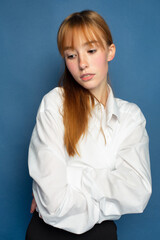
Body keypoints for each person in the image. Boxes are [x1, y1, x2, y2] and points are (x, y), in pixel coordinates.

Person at [25, 10, 152, 240]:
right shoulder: (55, 104)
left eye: (91, 51)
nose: (82, 63)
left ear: (109, 51)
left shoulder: (131, 118)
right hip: (46, 234)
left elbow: (137, 192)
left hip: (100, 235)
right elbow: (53, 203)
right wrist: (105, 202)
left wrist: (70, 176)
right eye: (71, 55)